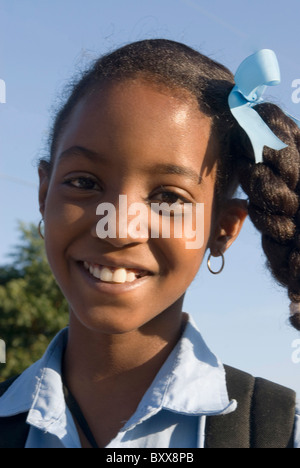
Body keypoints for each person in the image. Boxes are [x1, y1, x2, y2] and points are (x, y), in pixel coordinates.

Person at [0, 39, 299, 448]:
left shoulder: (279, 433)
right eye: (84, 183)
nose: (119, 228)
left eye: (169, 199)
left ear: (223, 230)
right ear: (44, 194)